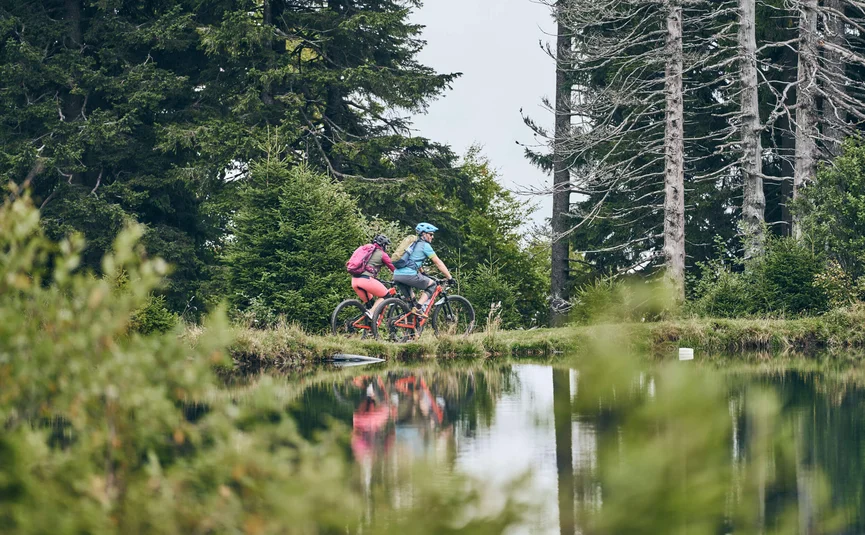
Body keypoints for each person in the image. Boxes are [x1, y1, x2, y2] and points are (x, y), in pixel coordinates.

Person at [393, 223, 454, 317]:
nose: (432, 237)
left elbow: (413, 260)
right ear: (423, 234)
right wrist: (449, 277)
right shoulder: (425, 246)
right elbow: (438, 263)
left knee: (411, 304)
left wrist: (423, 273)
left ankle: (411, 327)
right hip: (408, 275)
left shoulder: (413, 244)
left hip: (397, 275)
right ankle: (418, 308)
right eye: (430, 234)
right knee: (433, 284)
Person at [351, 234, 396, 318]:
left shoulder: (364, 250)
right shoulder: (382, 254)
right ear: (383, 245)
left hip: (354, 280)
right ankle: (371, 312)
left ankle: (368, 326)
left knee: (370, 304)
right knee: (386, 296)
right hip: (366, 280)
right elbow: (394, 268)